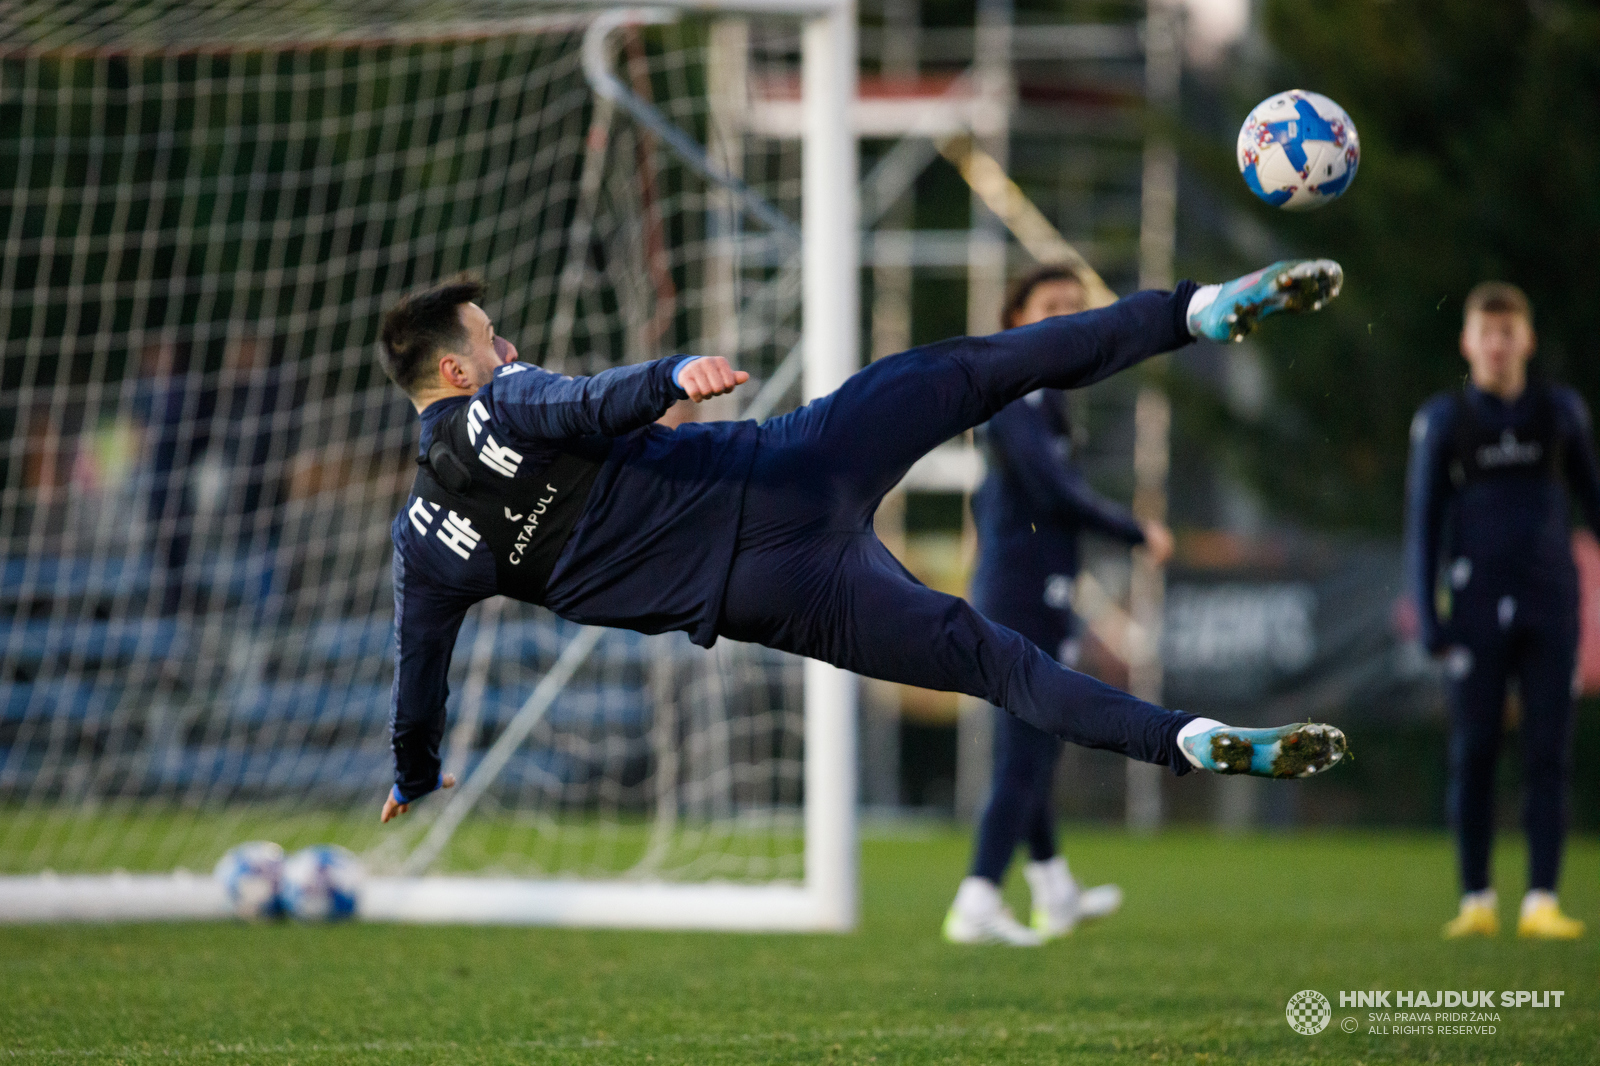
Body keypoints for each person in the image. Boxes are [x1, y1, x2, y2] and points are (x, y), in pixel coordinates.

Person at [375, 260, 1352, 829]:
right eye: (493, 340)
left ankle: (1185, 739)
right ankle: (1196, 312)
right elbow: (581, 397)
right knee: (975, 370)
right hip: (788, 468)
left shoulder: (423, 544)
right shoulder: (502, 396)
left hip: (775, 591)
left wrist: (414, 776)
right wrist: (669, 371)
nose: (509, 349)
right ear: (458, 368)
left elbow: (420, 674)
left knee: (994, 661)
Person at [943, 266, 1175, 946]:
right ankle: (978, 898)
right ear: (1016, 317)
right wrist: (1139, 532)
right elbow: (1053, 494)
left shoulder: (1049, 401)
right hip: (1016, 596)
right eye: (1052, 307)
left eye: (1077, 310)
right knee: (1026, 752)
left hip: (1041, 592)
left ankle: (1052, 888)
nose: (1067, 321)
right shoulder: (1011, 399)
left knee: (1036, 747)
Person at [1404, 281, 1600, 940]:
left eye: (1508, 332)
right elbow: (1423, 524)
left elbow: (1593, 505)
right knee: (1475, 752)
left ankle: (1542, 898)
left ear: (1526, 340)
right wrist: (1429, 616)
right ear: (1466, 342)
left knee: (1548, 753)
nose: (1497, 345)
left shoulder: (1561, 414)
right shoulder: (1445, 421)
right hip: (1476, 608)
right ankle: (1476, 900)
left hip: (1552, 605)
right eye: (1486, 333)